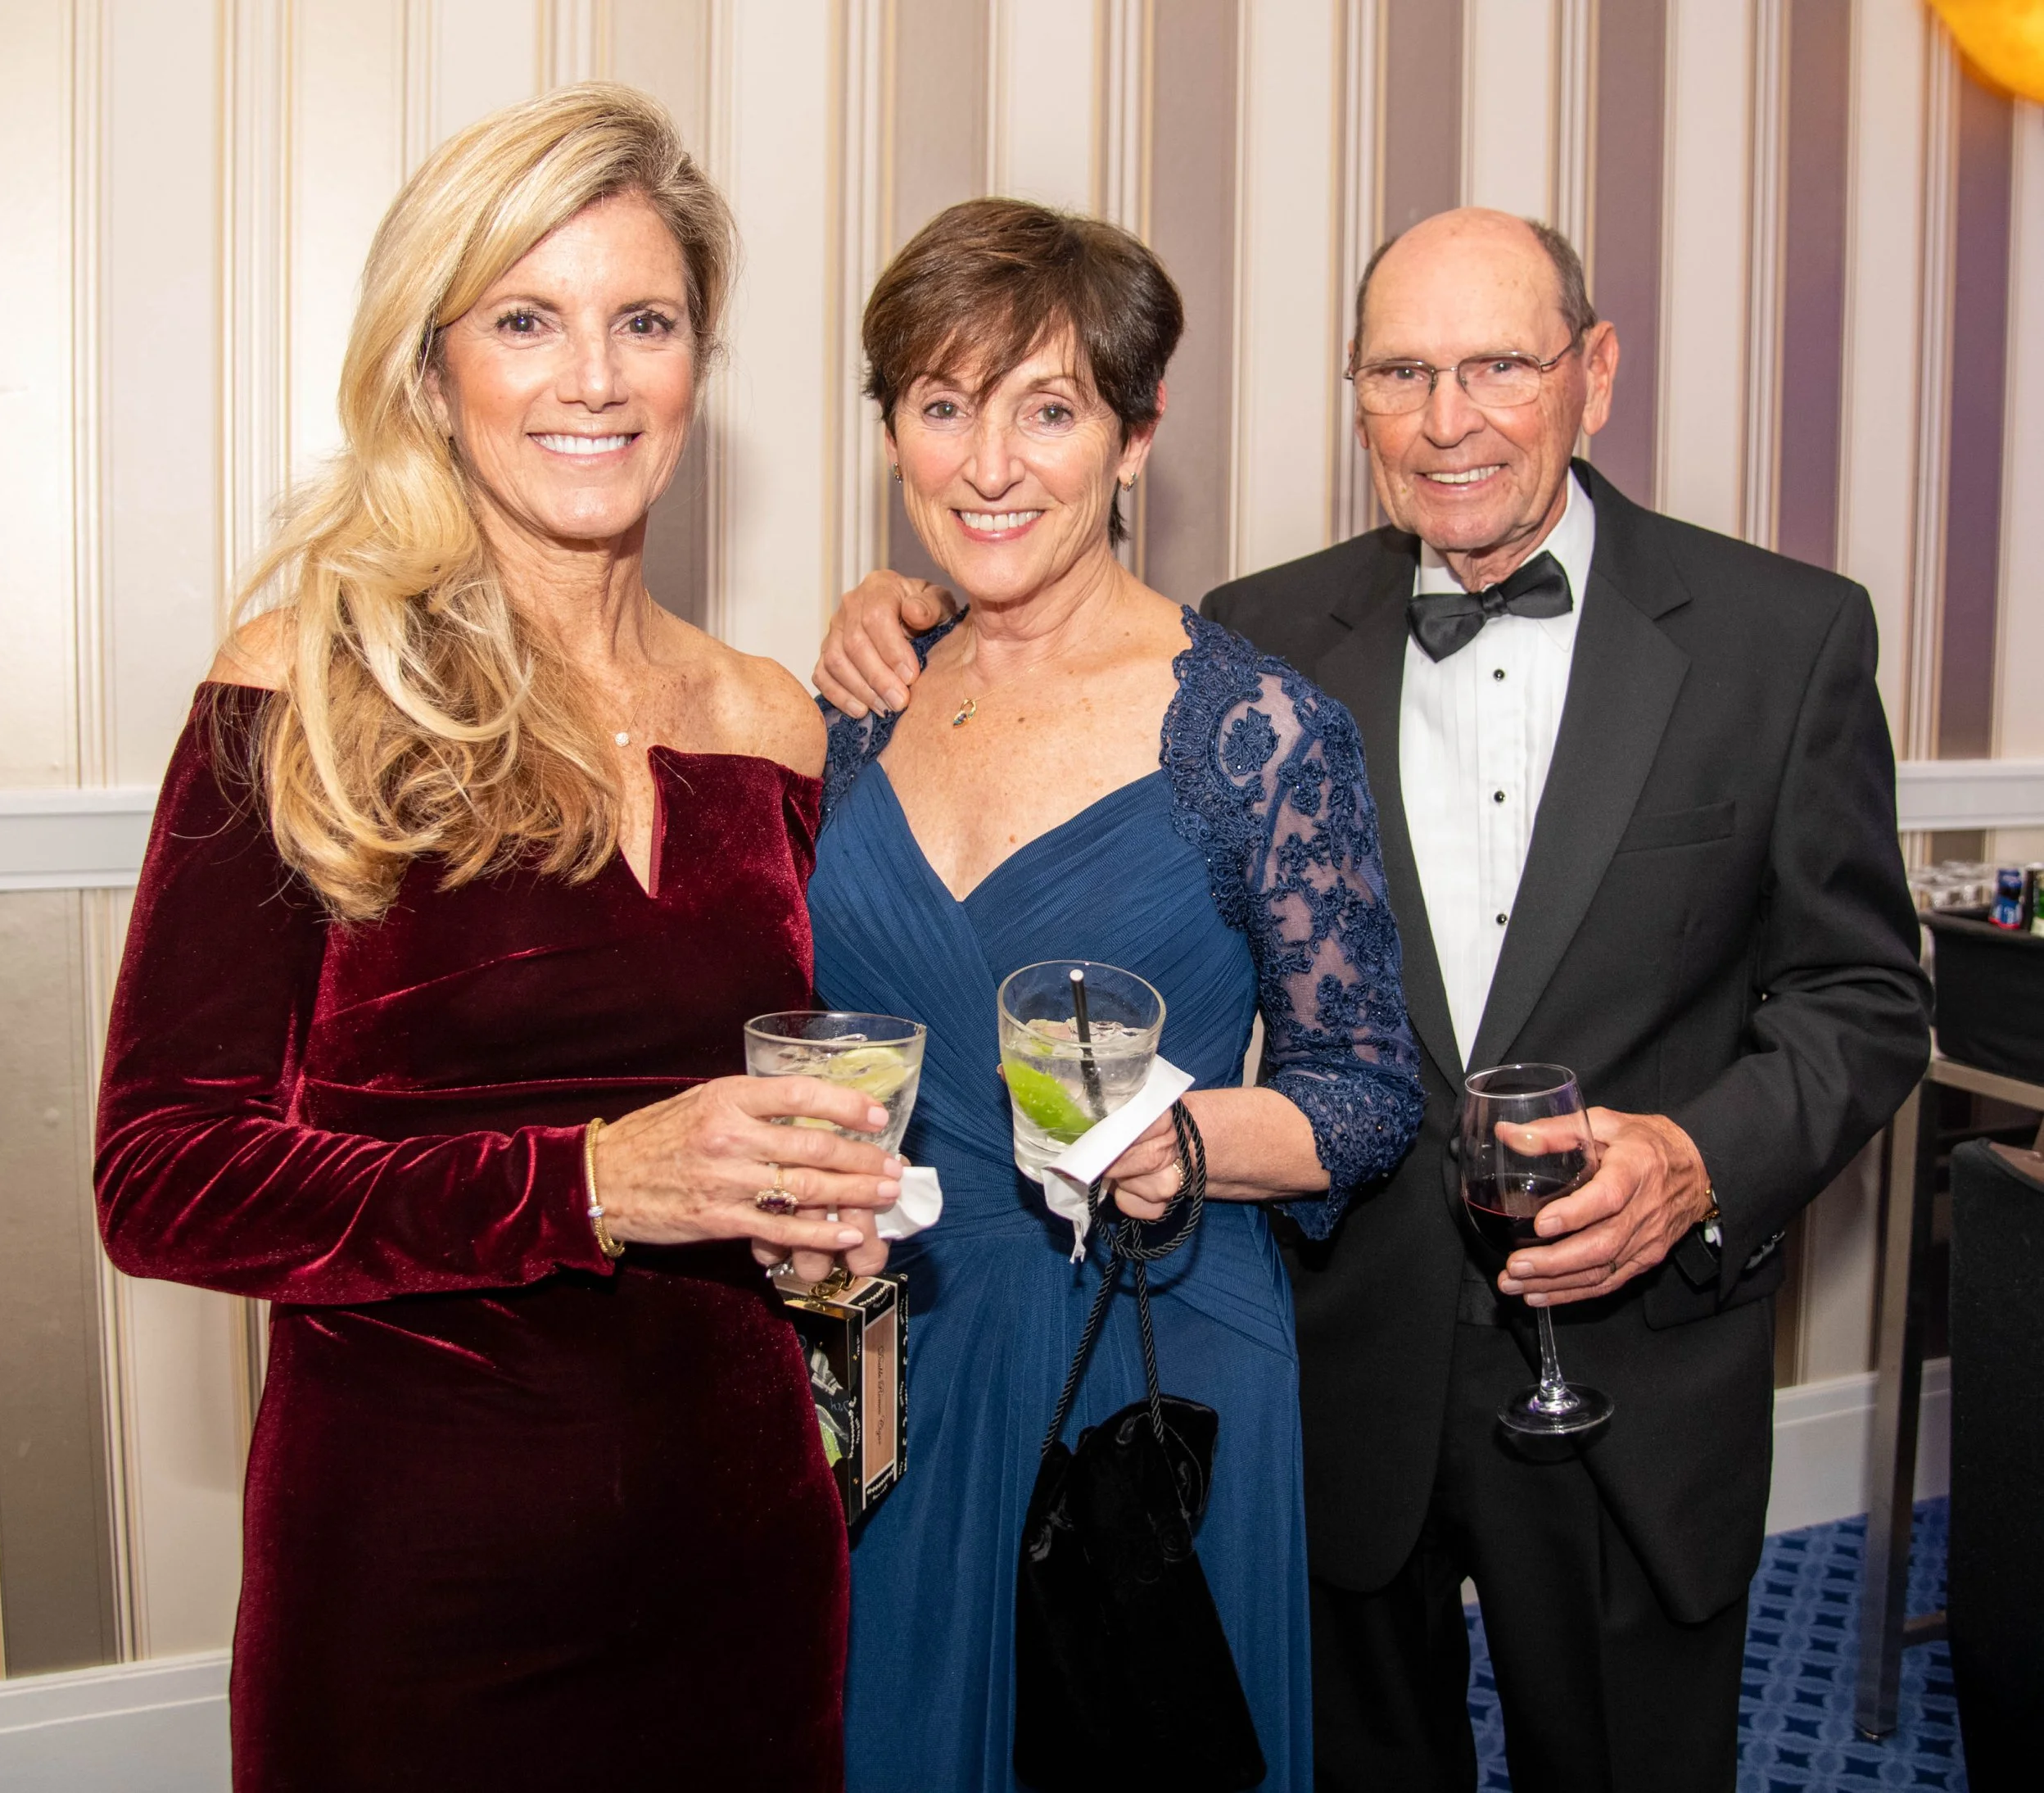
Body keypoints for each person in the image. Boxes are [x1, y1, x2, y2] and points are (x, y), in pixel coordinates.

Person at [815, 207, 1932, 1792]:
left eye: (1498, 367)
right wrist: (897, 606)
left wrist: (1696, 1162)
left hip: (1628, 1364)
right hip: (1345, 1361)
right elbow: (1045, 620)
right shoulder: (1270, 634)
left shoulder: (1784, 636)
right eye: (1402, 371)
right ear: (1355, 396)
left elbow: (1863, 996)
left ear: (1595, 375)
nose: (1447, 417)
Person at [94, 85, 900, 1792]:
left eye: (646, 321)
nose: (593, 377)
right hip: (418, 1583)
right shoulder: (303, 679)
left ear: (698, 365)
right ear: (431, 368)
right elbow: (160, 1175)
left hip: (746, 1561)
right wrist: (594, 1180)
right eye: (526, 320)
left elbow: (806, 1136)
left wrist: (835, 1247)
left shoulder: (768, 723)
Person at [807, 197, 1424, 1792]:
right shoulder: (849, 712)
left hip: (1150, 1353)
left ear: (1135, 437)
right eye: (941, 406)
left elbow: (1366, 1088)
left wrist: (1184, 1135)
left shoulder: (1257, 734)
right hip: (893, 1348)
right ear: (890, 433)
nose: (988, 464)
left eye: (1048, 407)